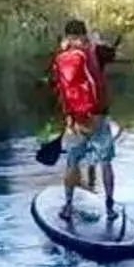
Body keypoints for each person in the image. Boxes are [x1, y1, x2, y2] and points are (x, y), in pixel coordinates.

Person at [50, 18, 117, 225]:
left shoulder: (61, 56)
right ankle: (109, 206)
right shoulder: (94, 51)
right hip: (98, 116)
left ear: (67, 35)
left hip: (75, 120)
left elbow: (55, 85)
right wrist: (97, 41)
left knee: (72, 162)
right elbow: (112, 54)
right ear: (84, 34)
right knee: (105, 162)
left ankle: (68, 206)